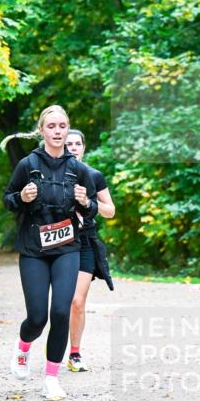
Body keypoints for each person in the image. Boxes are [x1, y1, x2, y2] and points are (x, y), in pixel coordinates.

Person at [1, 105, 98, 400]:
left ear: (68, 130)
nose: (58, 131)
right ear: (42, 130)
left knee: (60, 312)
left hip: (67, 248)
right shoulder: (27, 165)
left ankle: (52, 378)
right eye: (52, 126)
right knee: (37, 317)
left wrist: (84, 201)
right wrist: (22, 197)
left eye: (62, 126)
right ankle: (23, 346)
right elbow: (8, 200)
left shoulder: (79, 170)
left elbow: (94, 208)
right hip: (33, 249)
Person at [64, 129, 115, 373]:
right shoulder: (52, 175)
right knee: (59, 304)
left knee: (77, 301)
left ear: (84, 147)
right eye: (68, 143)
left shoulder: (93, 176)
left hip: (84, 241)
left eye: (77, 144)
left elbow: (110, 210)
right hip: (58, 243)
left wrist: (88, 203)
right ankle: (52, 347)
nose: (73, 147)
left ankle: (75, 353)